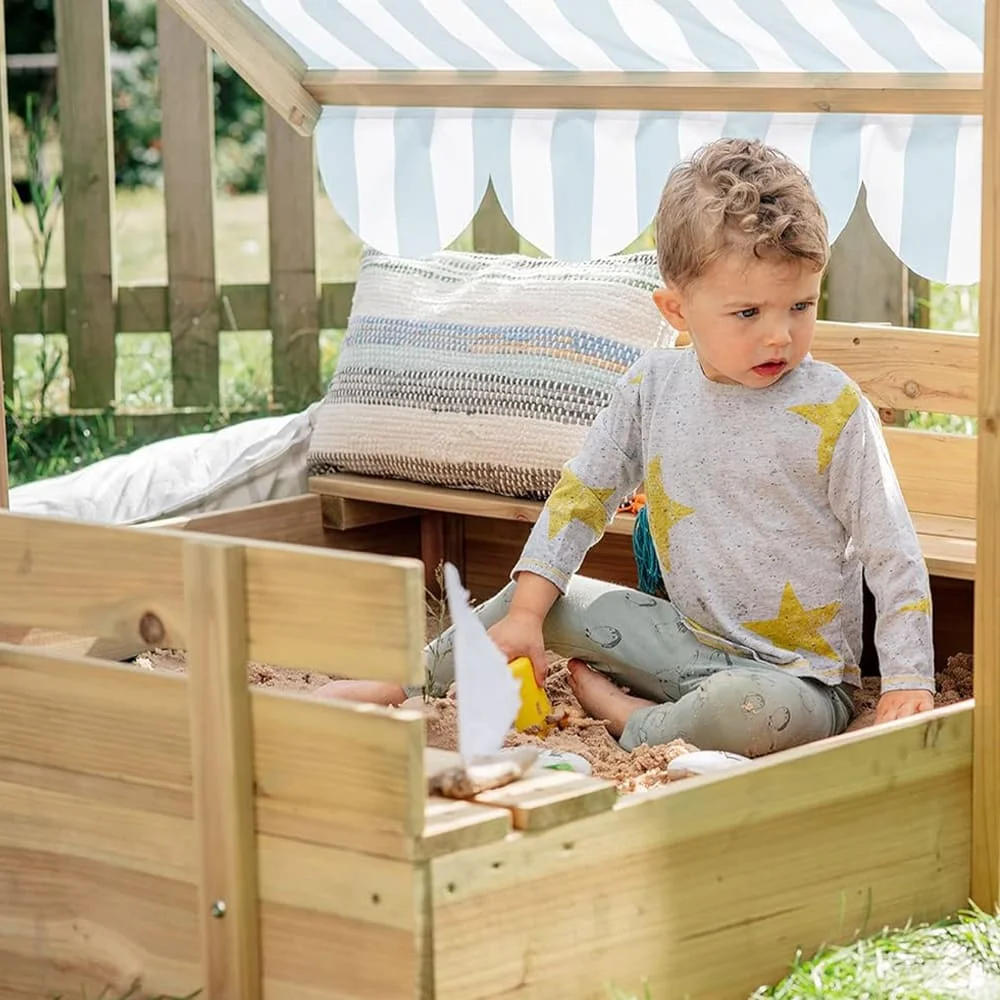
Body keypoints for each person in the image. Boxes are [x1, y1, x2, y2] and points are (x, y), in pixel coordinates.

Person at [318, 137, 935, 758]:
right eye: (748, 313)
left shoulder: (835, 407)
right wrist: (529, 613)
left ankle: (631, 719)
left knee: (746, 713)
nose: (780, 334)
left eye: (801, 305)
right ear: (676, 310)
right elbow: (581, 497)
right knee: (538, 599)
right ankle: (407, 682)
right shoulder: (652, 386)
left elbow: (891, 549)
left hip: (797, 683)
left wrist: (908, 678)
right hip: (679, 643)